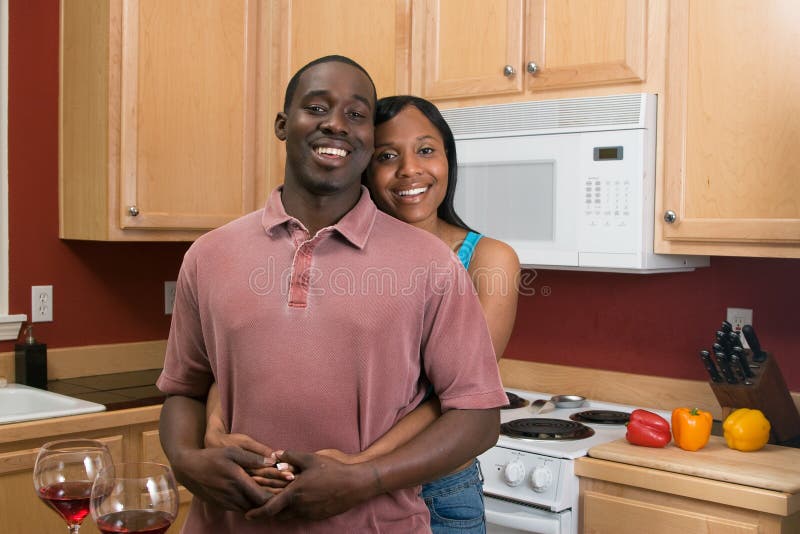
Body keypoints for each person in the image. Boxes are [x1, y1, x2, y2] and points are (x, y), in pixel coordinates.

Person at [156, 55, 508, 533]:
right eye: (317, 107)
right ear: (283, 124)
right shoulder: (208, 254)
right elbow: (186, 389)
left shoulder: (431, 264)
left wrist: (363, 478)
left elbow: (477, 418)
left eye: (357, 115)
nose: (337, 125)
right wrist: (185, 460)